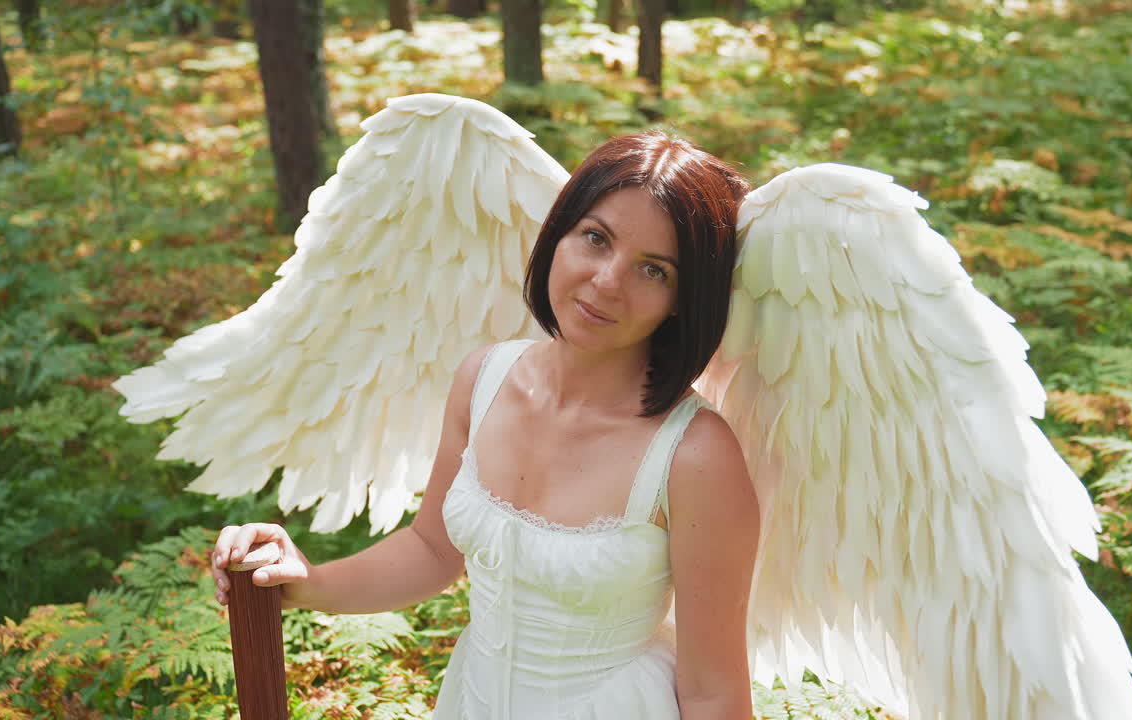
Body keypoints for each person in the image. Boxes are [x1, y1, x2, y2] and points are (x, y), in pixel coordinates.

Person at [211, 131, 760, 719]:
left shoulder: (694, 455)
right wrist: (306, 581)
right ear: (558, 233)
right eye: (595, 239)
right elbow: (431, 551)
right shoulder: (484, 380)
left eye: (654, 270)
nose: (607, 281)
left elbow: (712, 692)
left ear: (682, 298)